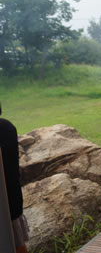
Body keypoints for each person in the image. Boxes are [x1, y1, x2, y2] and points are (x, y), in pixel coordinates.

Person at [0, 104, 29, 253]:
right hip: (13, 202)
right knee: (18, 243)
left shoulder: (4, 129)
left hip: (8, 205)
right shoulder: (7, 127)